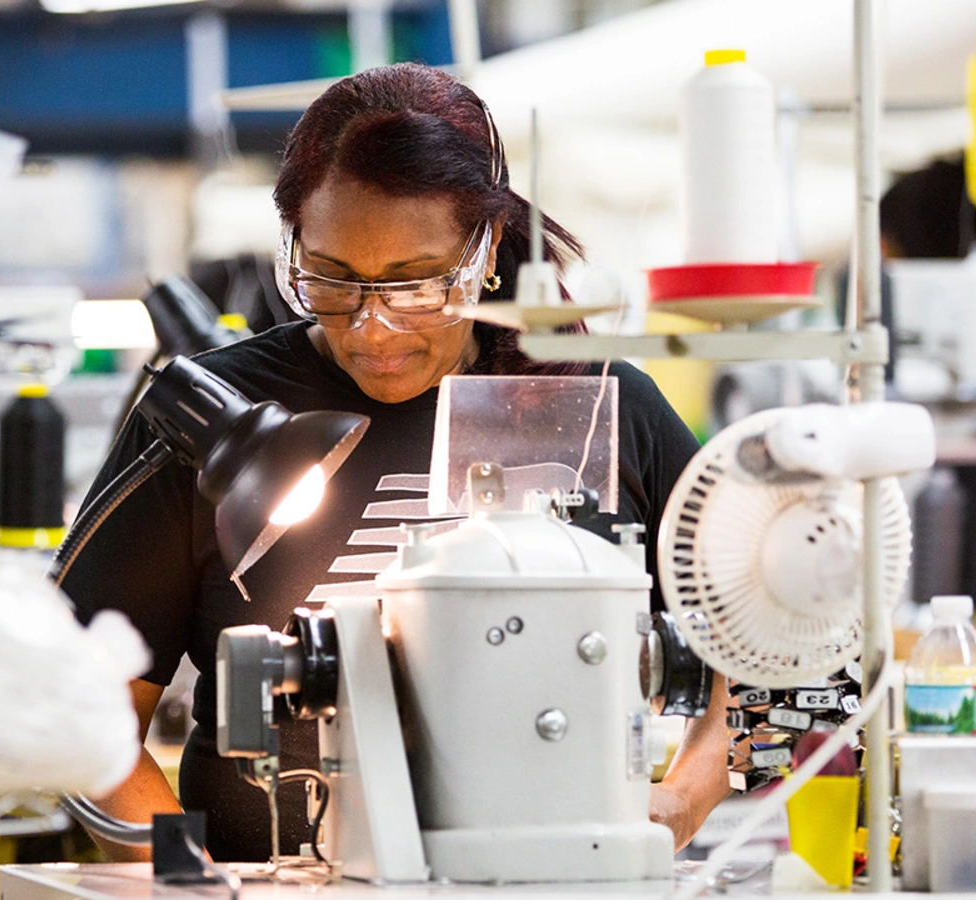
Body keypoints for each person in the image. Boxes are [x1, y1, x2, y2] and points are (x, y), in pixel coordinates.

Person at [60, 62, 732, 863]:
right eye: (332, 281)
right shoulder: (215, 424)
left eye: (416, 285)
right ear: (291, 247)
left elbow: (755, 647)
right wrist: (187, 877)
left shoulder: (600, 407)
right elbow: (82, 708)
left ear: (484, 252)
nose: (373, 328)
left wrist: (683, 801)